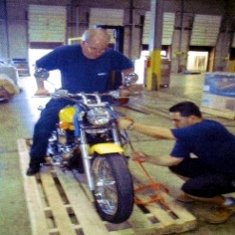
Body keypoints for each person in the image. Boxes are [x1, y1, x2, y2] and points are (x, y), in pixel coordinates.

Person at [27, 28, 134, 176]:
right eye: (94, 48)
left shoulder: (111, 55)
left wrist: (125, 86)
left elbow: (128, 67)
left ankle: (114, 158)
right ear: (83, 43)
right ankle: (35, 161)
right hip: (67, 96)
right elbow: (40, 66)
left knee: (114, 125)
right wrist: (41, 88)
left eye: (103, 49)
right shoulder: (65, 52)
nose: (98, 53)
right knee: (43, 125)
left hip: (98, 98)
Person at [119, 101, 235, 224]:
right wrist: (148, 158)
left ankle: (228, 204)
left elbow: (164, 134)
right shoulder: (186, 135)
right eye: (172, 120)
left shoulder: (207, 127)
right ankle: (201, 191)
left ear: (192, 118)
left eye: (177, 120)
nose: (174, 124)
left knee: (191, 189)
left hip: (232, 173)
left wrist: (132, 126)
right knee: (178, 166)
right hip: (217, 166)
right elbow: (174, 160)